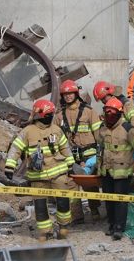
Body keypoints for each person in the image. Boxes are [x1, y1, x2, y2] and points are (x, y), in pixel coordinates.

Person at [4, 99, 76, 241]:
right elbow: (16, 149)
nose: (50, 116)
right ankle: (46, 231)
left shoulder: (56, 130)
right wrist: (9, 166)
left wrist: (70, 164)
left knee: (63, 201)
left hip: (58, 173)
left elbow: (65, 148)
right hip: (38, 176)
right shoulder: (27, 132)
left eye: (51, 113)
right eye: (48, 113)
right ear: (38, 115)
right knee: (40, 205)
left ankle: (64, 227)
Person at [96, 97, 134, 240]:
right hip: (106, 171)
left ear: (119, 114)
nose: (109, 116)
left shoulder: (128, 129)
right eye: (107, 113)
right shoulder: (102, 128)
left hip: (122, 173)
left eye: (112, 113)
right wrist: (98, 167)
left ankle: (119, 227)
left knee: (120, 201)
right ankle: (112, 225)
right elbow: (99, 149)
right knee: (108, 199)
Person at [53, 80, 103, 222]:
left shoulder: (89, 111)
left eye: (70, 93)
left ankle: (94, 210)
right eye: (65, 94)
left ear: (76, 94)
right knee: (71, 185)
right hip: (70, 156)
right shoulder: (59, 116)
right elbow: (55, 137)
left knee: (89, 183)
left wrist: (101, 153)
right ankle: (77, 216)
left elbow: (98, 133)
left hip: (89, 154)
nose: (68, 97)